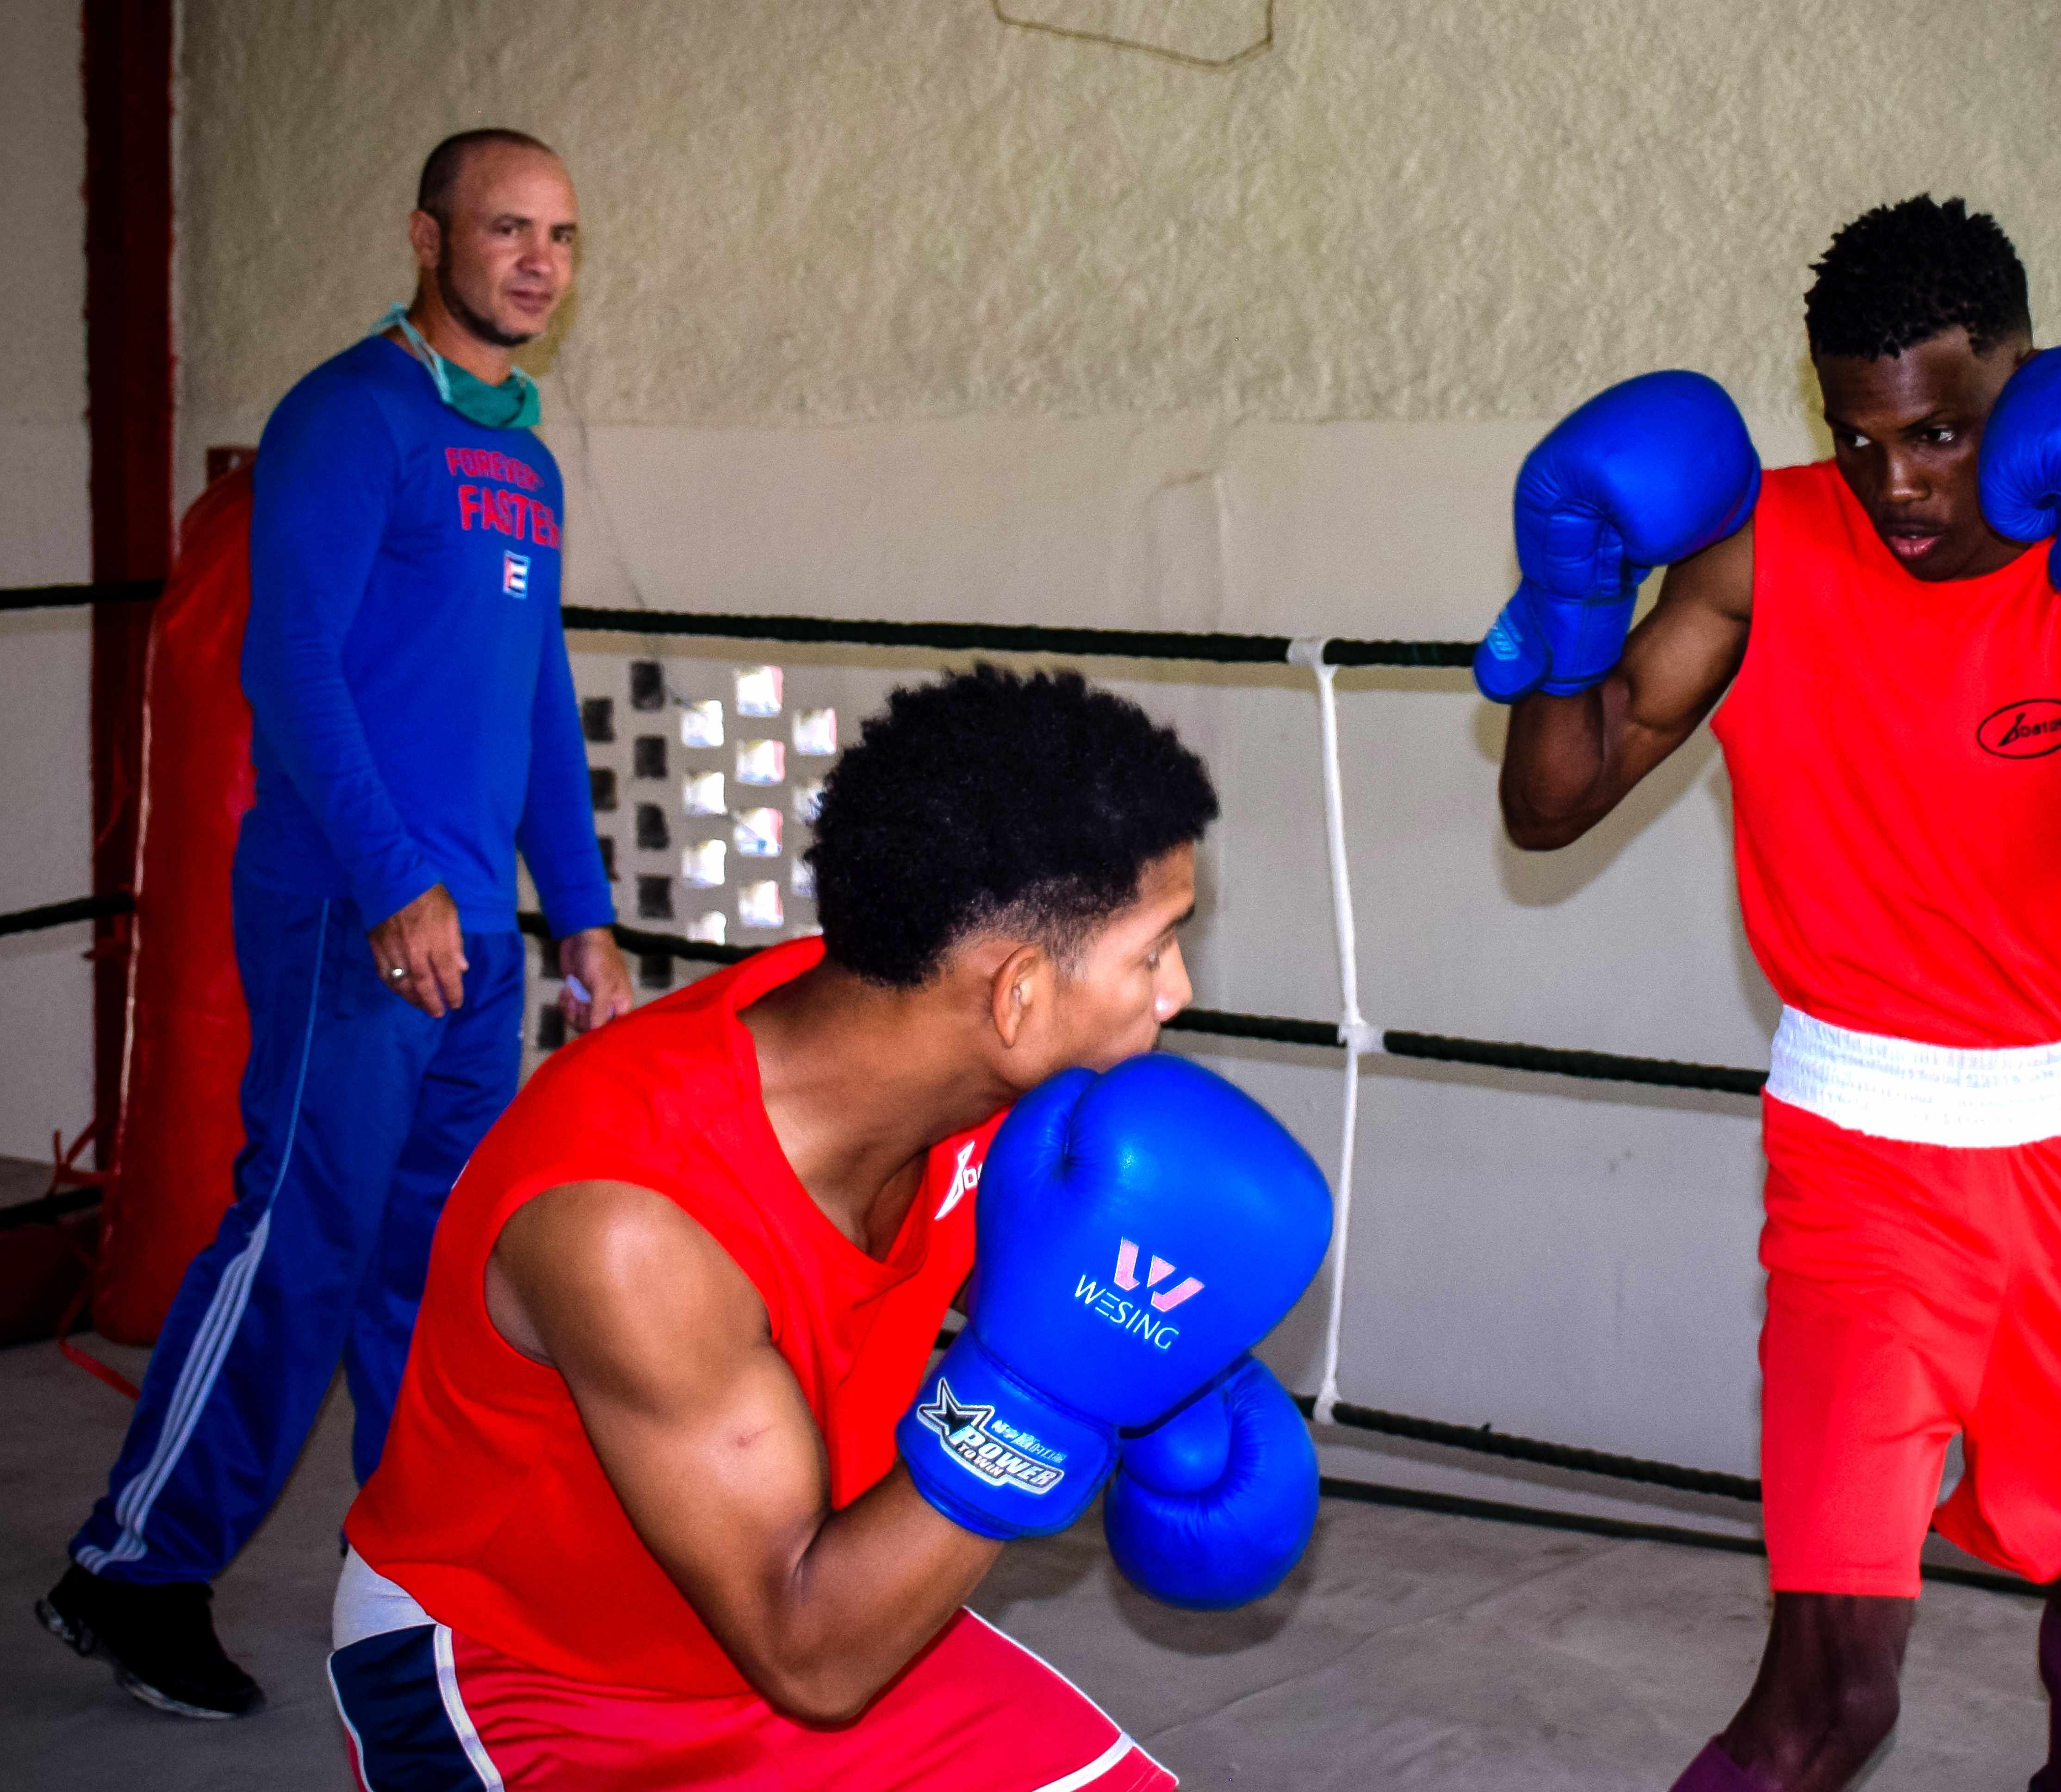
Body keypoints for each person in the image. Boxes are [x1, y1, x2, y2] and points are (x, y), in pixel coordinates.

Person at [1479, 196, 2061, 1792]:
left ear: (2023, 385)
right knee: (1830, 1698)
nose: (1897, 484)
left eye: (1944, 433)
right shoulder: (1762, 552)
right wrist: (1567, 608)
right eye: (1860, 435)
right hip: (1857, 1170)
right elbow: (1547, 809)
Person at [327, 667, 1330, 1789]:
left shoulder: (935, 1053)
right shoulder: (635, 1225)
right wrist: (1042, 1402)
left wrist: (1159, 1359)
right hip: (530, 1675)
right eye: (1152, 949)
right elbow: (812, 1655)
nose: (1176, 990)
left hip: (816, 1604)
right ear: (1016, 996)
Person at [42, 128, 633, 1717]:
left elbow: (530, 706)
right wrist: (394, 882)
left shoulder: (524, 457)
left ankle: (423, 1577)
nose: (534, 261)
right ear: (425, 236)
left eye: (560, 237)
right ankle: (134, 1571)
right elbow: (287, 671)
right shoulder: (347, 418)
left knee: (438, 1270)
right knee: (298, 1246)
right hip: (355, 922)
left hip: (480, 946)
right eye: (504, 228)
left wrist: (576, 913)